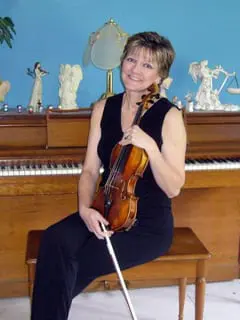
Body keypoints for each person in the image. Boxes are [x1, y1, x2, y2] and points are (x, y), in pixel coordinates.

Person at [31, 31, 186, 320]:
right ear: (122, 61)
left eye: (147, 65)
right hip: (104, 208)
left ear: (160, 76)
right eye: (131, 59)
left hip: (147, 225)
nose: (135, 69)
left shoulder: (170, 116)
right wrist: (84, 209)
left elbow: (174, 187)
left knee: (78, 260)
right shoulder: (104, 108)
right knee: (54, 240)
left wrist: (150, 147)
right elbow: (90, 169)